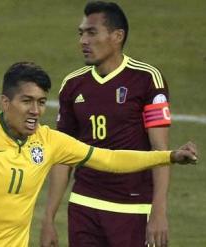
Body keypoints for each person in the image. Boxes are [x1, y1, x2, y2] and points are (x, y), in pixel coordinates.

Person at [0, 62, 198, 247]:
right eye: (27, 101)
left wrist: (168, 156)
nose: (35, 111)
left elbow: (111, 158)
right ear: (5, 102)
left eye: (41, 102)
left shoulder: (49, 142)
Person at [40, 1, 177, 247]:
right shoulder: (72, 85)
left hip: (133, 207)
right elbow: (63, 155)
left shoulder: (147, 79)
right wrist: (48, 217)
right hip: (84, 204)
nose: (83, 40)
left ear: (117, 36)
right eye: (81, 33)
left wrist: (158, 211)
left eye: (92, 32)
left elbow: (161, 152)